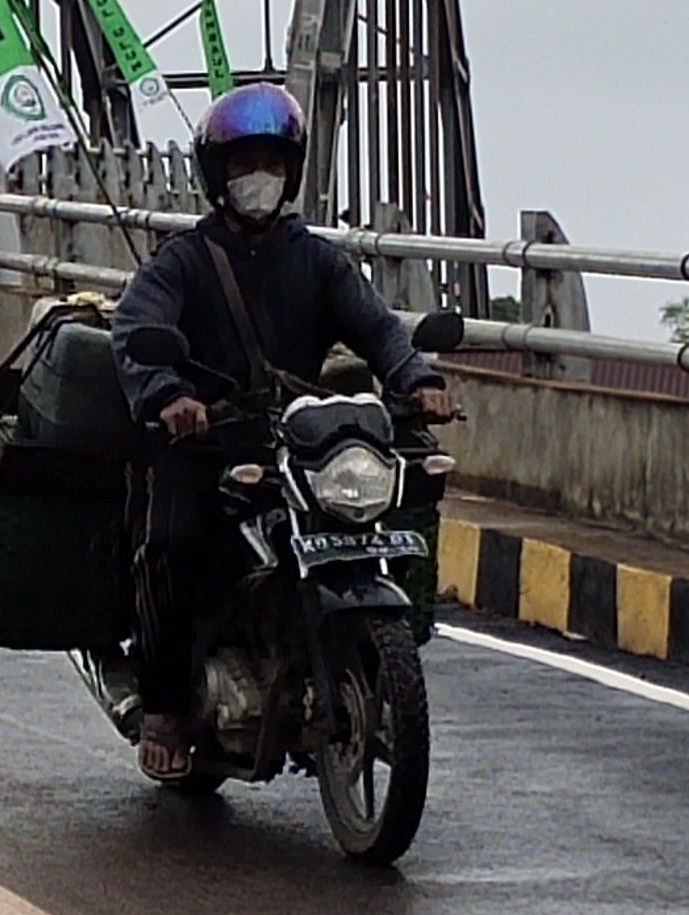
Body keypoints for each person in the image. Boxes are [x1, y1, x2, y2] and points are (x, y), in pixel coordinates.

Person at [111, 81, 461, 782]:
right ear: (218, 176)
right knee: (172, 543)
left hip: (294, 440)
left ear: (292, 172)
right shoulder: (184, 261)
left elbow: (378, 326)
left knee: (384, 504)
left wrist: (416, 378)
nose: (257, 180)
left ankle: (342, 665)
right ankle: (165, 705)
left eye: (270, 164)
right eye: (243, 166)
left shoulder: (318, 260)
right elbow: (133, 326)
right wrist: (170, 393)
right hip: (205, 442)